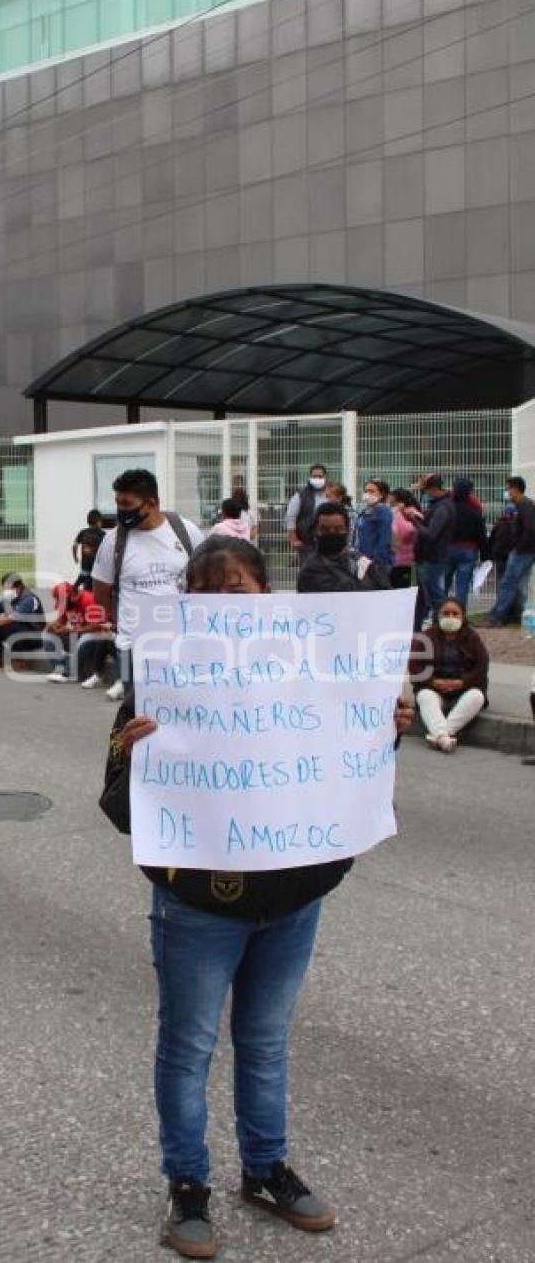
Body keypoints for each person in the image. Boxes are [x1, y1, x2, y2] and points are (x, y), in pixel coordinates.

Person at [113, 537, 413, 1259]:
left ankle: (265, 1168)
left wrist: (385, 731)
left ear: (264, 598)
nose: (223, 606)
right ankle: (188, 1184)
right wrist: (129, 753)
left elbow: (337, 765)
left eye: (238, 591)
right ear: (186, 601)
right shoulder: (161, 679)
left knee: (267, 1041)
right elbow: (126, 809)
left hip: (292, 903)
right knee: (187, 1049)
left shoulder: (307, 668)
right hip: (197, 908)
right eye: (206, 593)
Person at [91, 469, 203, 701]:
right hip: (133, 648)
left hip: (180, 643)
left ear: (151, 503)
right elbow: (100, 594)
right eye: (117, 503)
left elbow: (203, 580)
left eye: (127, 503)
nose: (121, 510)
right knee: (141, 718)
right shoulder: (113, 542)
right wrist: (124, 625)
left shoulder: (185, 532)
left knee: (182, 712)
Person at [409, 597, 488, 754]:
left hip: (463, 688)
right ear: (438, 616)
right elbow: (414, 666)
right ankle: (445, 738)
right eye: (446, 613)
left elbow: (482, 666)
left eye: (455, 614)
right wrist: (433, 682)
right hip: (433, 687)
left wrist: (462, 683)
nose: (450, 617)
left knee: (477, 697)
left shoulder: (472, 637)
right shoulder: (426, 637)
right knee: (425, 696)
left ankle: (440, 736)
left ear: (462, 616)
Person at [297, 503, 391, 592]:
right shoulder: (311, 571)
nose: (332, 533)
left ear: (347, 529)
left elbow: (385, 588)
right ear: (315, 531)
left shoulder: (359, 559)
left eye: (338, 529)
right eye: (325, 530)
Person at [403, 474, 456, 625]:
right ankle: (426, 623)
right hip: (429, 556)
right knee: (426, 595)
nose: (425, 494)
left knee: (434, 593)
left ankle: (445, 623)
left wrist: (415, 520)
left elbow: (431, 534)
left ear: (433, 489)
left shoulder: (443, 507)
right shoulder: (439, 504)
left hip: (433, 557)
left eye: (425, 490)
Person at [484, 476, 535, 627]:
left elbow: (531, 528)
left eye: (508, 488)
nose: (507, 492)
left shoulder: (523, 504)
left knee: (508, 583)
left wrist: (519, 547)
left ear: (515, 489)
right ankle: (519, 615)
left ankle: (497, 616)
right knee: (520, 584)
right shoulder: (525, 504)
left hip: (522, 552)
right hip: (527, 551)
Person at [0, 573, 45, 668]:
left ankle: (19, 660)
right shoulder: (10, 598)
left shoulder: (29, 599)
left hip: (33, 637)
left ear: (18, 586)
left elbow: (11, 619)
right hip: (20, 632)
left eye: (8, 588)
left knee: (9, 624)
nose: (6, 591)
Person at [44, 580, 108, 682]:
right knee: (48, 636)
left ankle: (68, 673)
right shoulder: (67, 604)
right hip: (76, 635)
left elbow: (96, 627)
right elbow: (61, 623)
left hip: (95, 637)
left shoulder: (88, 599)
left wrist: (71, 630)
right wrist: (53, 626)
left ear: (72, 595)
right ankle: (61, 668)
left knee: (84, 638)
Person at [443, 478, 488, 607]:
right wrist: (485, 555)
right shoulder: (475, 510)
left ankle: (439, 614)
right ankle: (460, 615)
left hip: (447, 549)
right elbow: (481, 534)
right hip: (468, 551)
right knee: (462, 587)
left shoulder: (446, 508)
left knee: (444, 585)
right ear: (470, 492)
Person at [285, 464, 328, 561]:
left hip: (328, 542)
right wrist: (293, 539)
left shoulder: (330, 494)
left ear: (325, 477)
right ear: (310, 477)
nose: (317, 479)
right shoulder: (301, 495)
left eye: (320, 476)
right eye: (314, 476)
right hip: (307, 543)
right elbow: (290, 517)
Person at [354, 479, 393, 569]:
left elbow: (384, 539)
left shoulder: (383, 511)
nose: (367, 494)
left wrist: (376, 561)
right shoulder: (365, 511)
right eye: (366, 491)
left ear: (381, 494)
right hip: (361, 559)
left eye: (372, 491)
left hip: (373, 562)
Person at [487, 502, 518, 611]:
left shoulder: (499, 523)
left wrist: (490, 554)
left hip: (501, 557)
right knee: (509, 583)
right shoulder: (516, 524)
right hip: (509, 557)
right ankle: (508, 608)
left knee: (502, 583)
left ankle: (502, 607)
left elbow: (491, 540)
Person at [389, 489, 422, 589]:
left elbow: (405, 531)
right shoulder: (410, 512)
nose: (388, 500)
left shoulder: (408, 512)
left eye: (391, 499)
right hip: (401, 559)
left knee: (400, 590)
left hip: (402, 560)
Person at [71, 510, 105, 591]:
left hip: (85, 566)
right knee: (94, 589)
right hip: (97, 569)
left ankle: (74, 591)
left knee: (84, 585)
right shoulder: (102, 534)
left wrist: (75, 557)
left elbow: (74, 546)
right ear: (98, 522)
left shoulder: (83, 532)